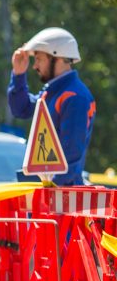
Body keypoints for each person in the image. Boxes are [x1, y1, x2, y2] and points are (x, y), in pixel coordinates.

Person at [8, 27, 96, 185]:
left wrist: (51, 188)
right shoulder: (52, 92)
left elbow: (71, 154)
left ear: (58, 58)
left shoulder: (75, 96)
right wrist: (18, 75)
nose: (34, 66)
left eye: (39, 59)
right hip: (47, 192)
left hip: (61, 197)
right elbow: (21, 109)